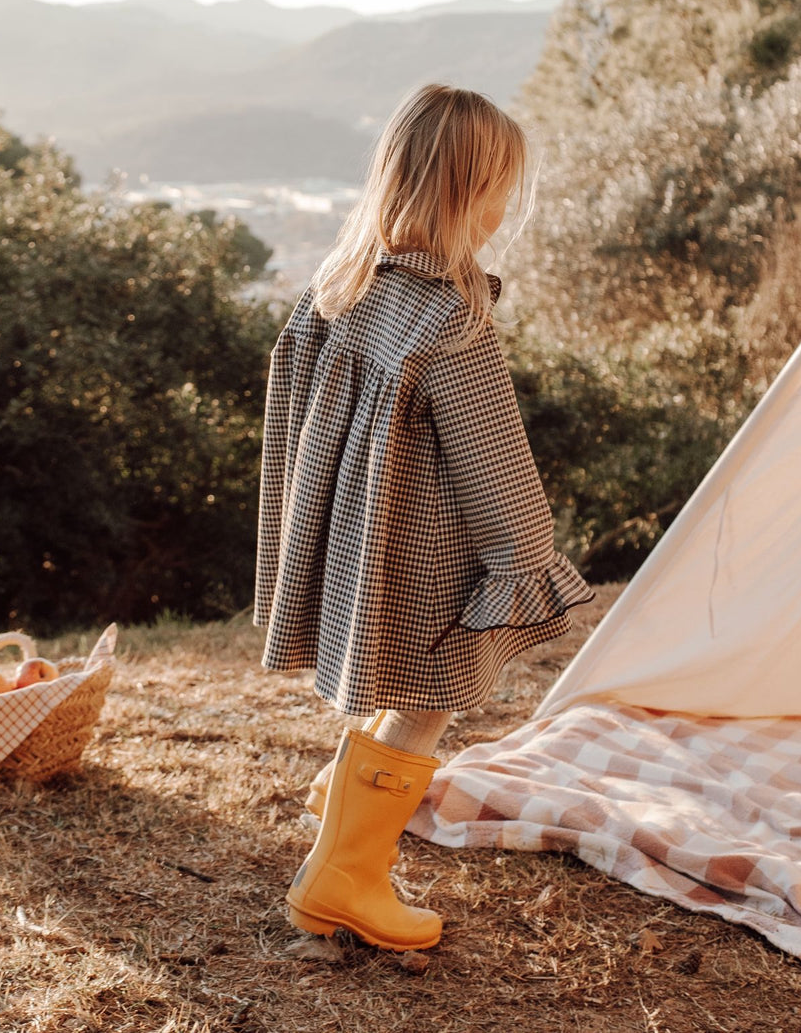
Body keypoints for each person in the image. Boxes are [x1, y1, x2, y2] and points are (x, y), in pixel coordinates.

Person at [254, 83, 594, 952]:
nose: (505, 207)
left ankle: (339, 845)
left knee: (397, 693)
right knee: (429, 698)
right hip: (423, 558)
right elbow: (496, 466)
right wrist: (523, 560)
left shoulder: (334, 290)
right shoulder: (452, 319)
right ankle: (346, 877)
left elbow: (290, 430)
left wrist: (311, 540)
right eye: (498, 188)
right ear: (462, 192)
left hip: (353, 549)